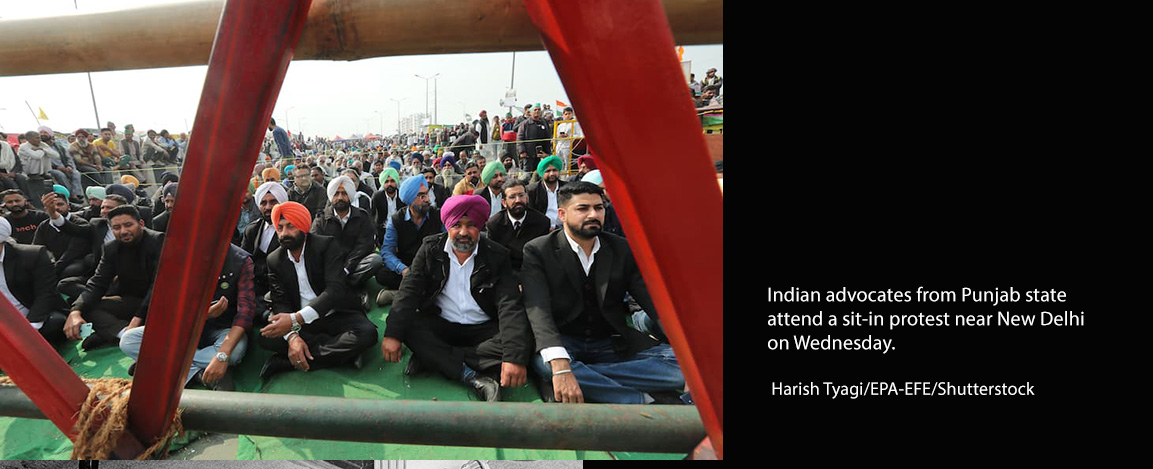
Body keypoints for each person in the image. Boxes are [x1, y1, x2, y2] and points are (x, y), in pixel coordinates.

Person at [520, 182, 686, 405]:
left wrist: (687, 348)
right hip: (565, 339)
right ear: (562, 214)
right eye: (583, 209)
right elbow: (537, 309)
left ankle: (589, 376)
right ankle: (641, 401)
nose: (593, 214)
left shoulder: (621, 248)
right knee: (547, 363)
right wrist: (560, 365)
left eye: (599, 208)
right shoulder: (538, 250)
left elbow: (653, 302)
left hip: (610, 341)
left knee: (684, 368)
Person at [380, 195, 531, 402]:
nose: (463, 232)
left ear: (480, 227)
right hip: (442, 325)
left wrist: (513, 357)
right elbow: (408, 292)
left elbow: (509, 306)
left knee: (523, 340)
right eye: (457, 225)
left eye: (471, 226)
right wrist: (392, 335)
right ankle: (471, 375)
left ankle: (434, 359)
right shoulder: (430, 248)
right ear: (447, 226)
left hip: (483, 330)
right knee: (406, 326)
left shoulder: (497, 256)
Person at [257, 202, 379, 379]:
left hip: (335, 313)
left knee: (367, 334)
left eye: (290, 226)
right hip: (302, 323)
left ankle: (288, 362)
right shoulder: (275, 259)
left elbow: (334, 290)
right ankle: (342, 354)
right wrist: (292, 337)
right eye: (280, 228)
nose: (284, 234)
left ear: (303, 226)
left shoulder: (326, 245)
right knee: (265, 337)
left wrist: (294, 319)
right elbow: (280, 301)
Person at [121, 244, 255, 391]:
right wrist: (202, 315)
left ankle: (157, 363)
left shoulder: (241, 260)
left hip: (222, 330)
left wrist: (222, 356)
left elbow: (245, 312)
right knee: (129, 340)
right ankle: (198, 373)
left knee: (234, 353)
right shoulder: (178, 256)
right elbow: (168, 305)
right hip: (184, 327)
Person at [62, 205, 165, 351]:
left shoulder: (158, 241)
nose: (123, 231)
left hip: (162, 303)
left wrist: (136, 319)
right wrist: (75, 311)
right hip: (132, 301)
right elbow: (98, 282)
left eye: (128, 225)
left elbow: (159, 285)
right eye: (117, 227)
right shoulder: (111, 248)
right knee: (86, 305)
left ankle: (118, 332)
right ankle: (125, 335)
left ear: (141, 224)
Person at [44, 193, 129, 303]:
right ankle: (102, 300)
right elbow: (73, 229)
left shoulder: (133, 229)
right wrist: (54, 214)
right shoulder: (97, 224)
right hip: (101, 276)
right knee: (65, 284)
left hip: (126, 275)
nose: (104, 210)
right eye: (103, 207)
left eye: (109, 208)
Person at [376, 176, 444, 305]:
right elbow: (387, 251)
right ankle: (422, 293)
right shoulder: (396, 220)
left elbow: (447, 243)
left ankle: (400, 294)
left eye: (426, 195)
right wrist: (403, 269)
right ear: (410, 200)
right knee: (382, 274)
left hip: (431, 265)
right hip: (408, 266)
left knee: (441, 274)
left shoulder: (438, 215)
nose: (427, 199)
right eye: (421, 196)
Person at [0, 217, 69, 344]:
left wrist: (31, 327)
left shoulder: (32, 255)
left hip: (34, 318)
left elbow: (46, 293)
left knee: (55, 323)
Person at [311, 176, 382, 290]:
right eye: (336, 194)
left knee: (375, 260)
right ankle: (350, 289)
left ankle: (341, 287)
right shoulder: (321, 219)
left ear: (350, 195)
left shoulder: (362, 216)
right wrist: (336, 268)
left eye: (344, 193)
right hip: (331, 266)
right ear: (331, 197)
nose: (340, 197)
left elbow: (365, 246)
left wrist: (347, 268)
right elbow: (316, 247)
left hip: (354, 265)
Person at [485, 179, 551, 274]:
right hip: (505, 271)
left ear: (527, 197)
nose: (518, 200)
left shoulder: (542, 222)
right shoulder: (494, 224)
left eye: (521, 195)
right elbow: (493, 258)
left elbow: (542, 256)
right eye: (512, 197)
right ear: (504, 202)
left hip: (533, 270)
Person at [241, 182, 288, 306]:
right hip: (254, 289)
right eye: (263, 203)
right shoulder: (252, 230)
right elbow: (243, 261)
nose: (268, 207)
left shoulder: (292, 231)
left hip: (283, 290)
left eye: (273, 202)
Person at [526, 155, 568, 229]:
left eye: (554, 170)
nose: (552, 174)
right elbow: (530, 215)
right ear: (542, 173)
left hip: (564, 228)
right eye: (548, 171)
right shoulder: (532, 190)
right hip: (541, 230)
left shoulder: (567, 188)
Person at [371, 167, 404, 243]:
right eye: (386, 181)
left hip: (400, 230)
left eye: (392, 181)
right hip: (382, 230)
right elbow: (372, 215)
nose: (389, 184)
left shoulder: (402, 195)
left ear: (396, 181)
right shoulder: (377, 196)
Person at [517, 106, 552, 173]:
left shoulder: (544, 122)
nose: (537, 111)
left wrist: (547, 153)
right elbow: (519, 138)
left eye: (539, 110)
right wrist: (522, 151)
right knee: (527, 174)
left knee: (541, 172)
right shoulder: (525, 124)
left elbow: (548, 137)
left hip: (542, 153)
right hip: (528, 153)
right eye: (535, 110)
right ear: (530, 112)